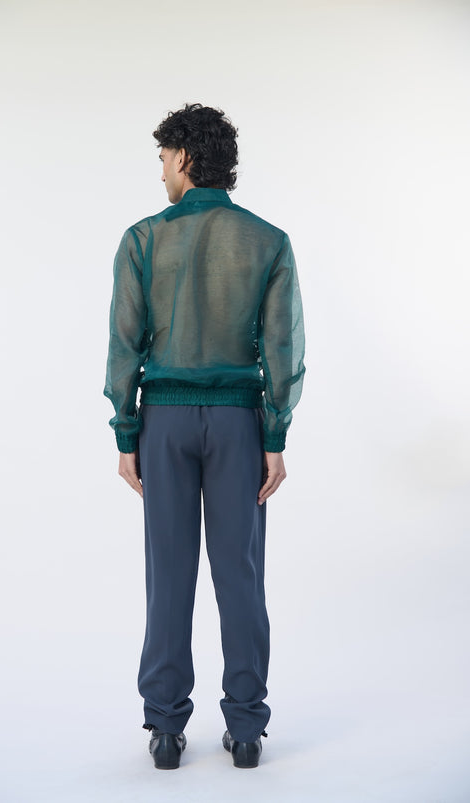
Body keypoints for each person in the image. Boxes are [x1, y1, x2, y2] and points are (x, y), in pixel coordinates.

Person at [103, 102, 306, 769]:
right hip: (238, 423)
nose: (161, 170)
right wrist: (274, 434)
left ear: (185, 157)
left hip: (163, 422)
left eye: (164, 157)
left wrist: (126, 433)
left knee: (168, 575)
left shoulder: (142, 239)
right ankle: (245, 728)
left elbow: (124, 346)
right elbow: (282, 348)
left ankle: (165, 729)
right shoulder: (267, 241)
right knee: (240, 574)